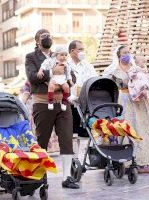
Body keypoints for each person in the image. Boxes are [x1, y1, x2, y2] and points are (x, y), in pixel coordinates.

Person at [25, 29, 79, 189]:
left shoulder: (60, 54)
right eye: (44, 37)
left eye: (49, 36)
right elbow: (33, 77)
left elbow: (73, 77)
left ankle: (67, 177)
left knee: (67, 139)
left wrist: (65, 81)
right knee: (42, 140)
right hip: (42, 103)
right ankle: (40, 177)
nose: (47, 39)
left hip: (63, 103)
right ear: (37, 41)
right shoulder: (31, 57)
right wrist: (53, 73)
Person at [103, 45, 149, 168]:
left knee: (143, 127)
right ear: (118, 55)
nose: (126, 55)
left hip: (139, 101)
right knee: (128, 126)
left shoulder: (135, 68)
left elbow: (145, 81)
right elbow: (108, 85)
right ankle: (126, 159)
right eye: (124, 53)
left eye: (128, 52)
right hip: (124, 99)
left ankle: (144, 158)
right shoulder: (113, 70)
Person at [67, 40, 98, 158]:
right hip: (70, 102)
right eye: (80, 49)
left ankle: (83, 157)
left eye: (83, 49)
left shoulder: (87, 65)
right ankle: (74, 159)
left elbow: (94, 79)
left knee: (84, 131)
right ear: (72, 51)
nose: (82, 52)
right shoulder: (66, 65)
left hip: (84, 102)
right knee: (72, 132)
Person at [37, 46, 73, 111]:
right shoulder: (51, 61)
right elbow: (44, 65)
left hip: (62, 79)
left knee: (66, 87)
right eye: (61, 55)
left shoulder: (67, 64)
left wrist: (70, 80)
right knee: (51, 86)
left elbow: (68, 73)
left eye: (65, 55)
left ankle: (64, 101)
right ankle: (50, 101)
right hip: (54, 78)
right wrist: (40, 71)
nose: (64, 57)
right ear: (56, 55)